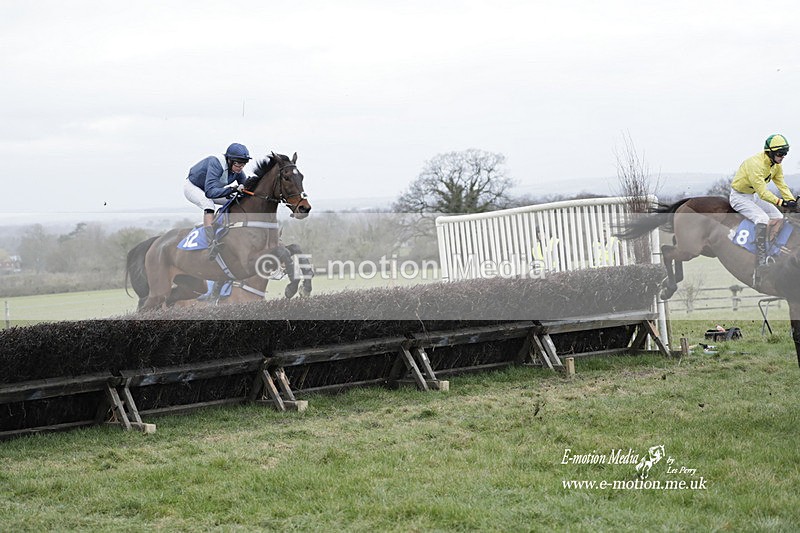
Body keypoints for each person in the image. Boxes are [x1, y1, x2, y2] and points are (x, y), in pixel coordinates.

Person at [730, 134, 796, 279]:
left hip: (753, 196)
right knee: (762, 218)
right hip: (739, 197)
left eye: (785, 153)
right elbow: (763, 192)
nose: (783, 156)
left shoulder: (776, 165)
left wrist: (791, 201)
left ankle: (770, 248)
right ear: (770, 152)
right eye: (780, 153)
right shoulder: (756, 165)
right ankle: (760, 260)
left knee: (778, 217)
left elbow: (781, 184)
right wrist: (781, 202)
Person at [184, 143, 251, 257]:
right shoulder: (216, 163)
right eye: (238, 164)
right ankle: (211, 242)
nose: (241, 167)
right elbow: (210, 193)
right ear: (229, 160)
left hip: (210, 189)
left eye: (243, 164)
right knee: (208, 204)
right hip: (193, 187)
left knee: (235, 201)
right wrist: (232, 189)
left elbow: (246, 186)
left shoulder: (237, 170)